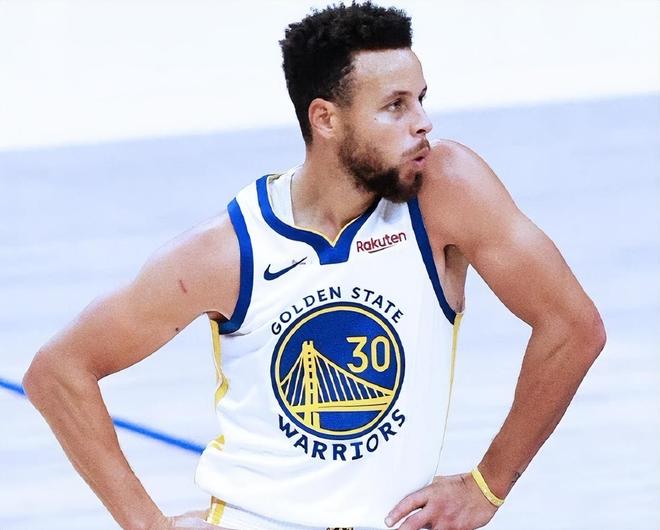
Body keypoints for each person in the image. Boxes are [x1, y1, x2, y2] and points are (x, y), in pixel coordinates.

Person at [23, 2, 606, 530]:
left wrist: (489, 484)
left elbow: (573, 327)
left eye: (421, 99)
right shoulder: (228, 251)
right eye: (395, 106)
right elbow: (59, 372)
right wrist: (148, 525)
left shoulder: (444, 193)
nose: (423, 122)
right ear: (325, 119)